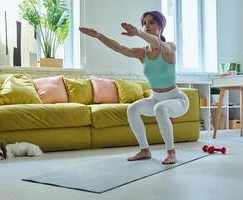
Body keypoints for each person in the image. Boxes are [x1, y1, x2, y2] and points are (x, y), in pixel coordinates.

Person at [79, 11, 189, 164]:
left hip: (176, 99)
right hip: (156, 97)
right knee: (133, 109)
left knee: (160, 109)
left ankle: (171, 153)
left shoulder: (169, 47)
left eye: (151, 23)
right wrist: (99, 36)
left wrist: (137, 32)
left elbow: (158, 43)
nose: (146, 26)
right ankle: (144, 150)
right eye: (144, 23)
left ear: (161, 27)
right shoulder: (142, 53)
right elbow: (119, 47)